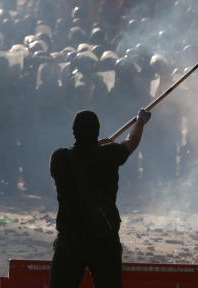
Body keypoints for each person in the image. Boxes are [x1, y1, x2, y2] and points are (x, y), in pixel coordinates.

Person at [49, 108, 151, 288]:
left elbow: (82, 154)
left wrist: (97, 145)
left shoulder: (59, 158)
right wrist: (140, 121)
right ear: (97, 131)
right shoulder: (109, 155)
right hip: (103, 236)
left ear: (74, 131)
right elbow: (131, 141)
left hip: (70, 238)